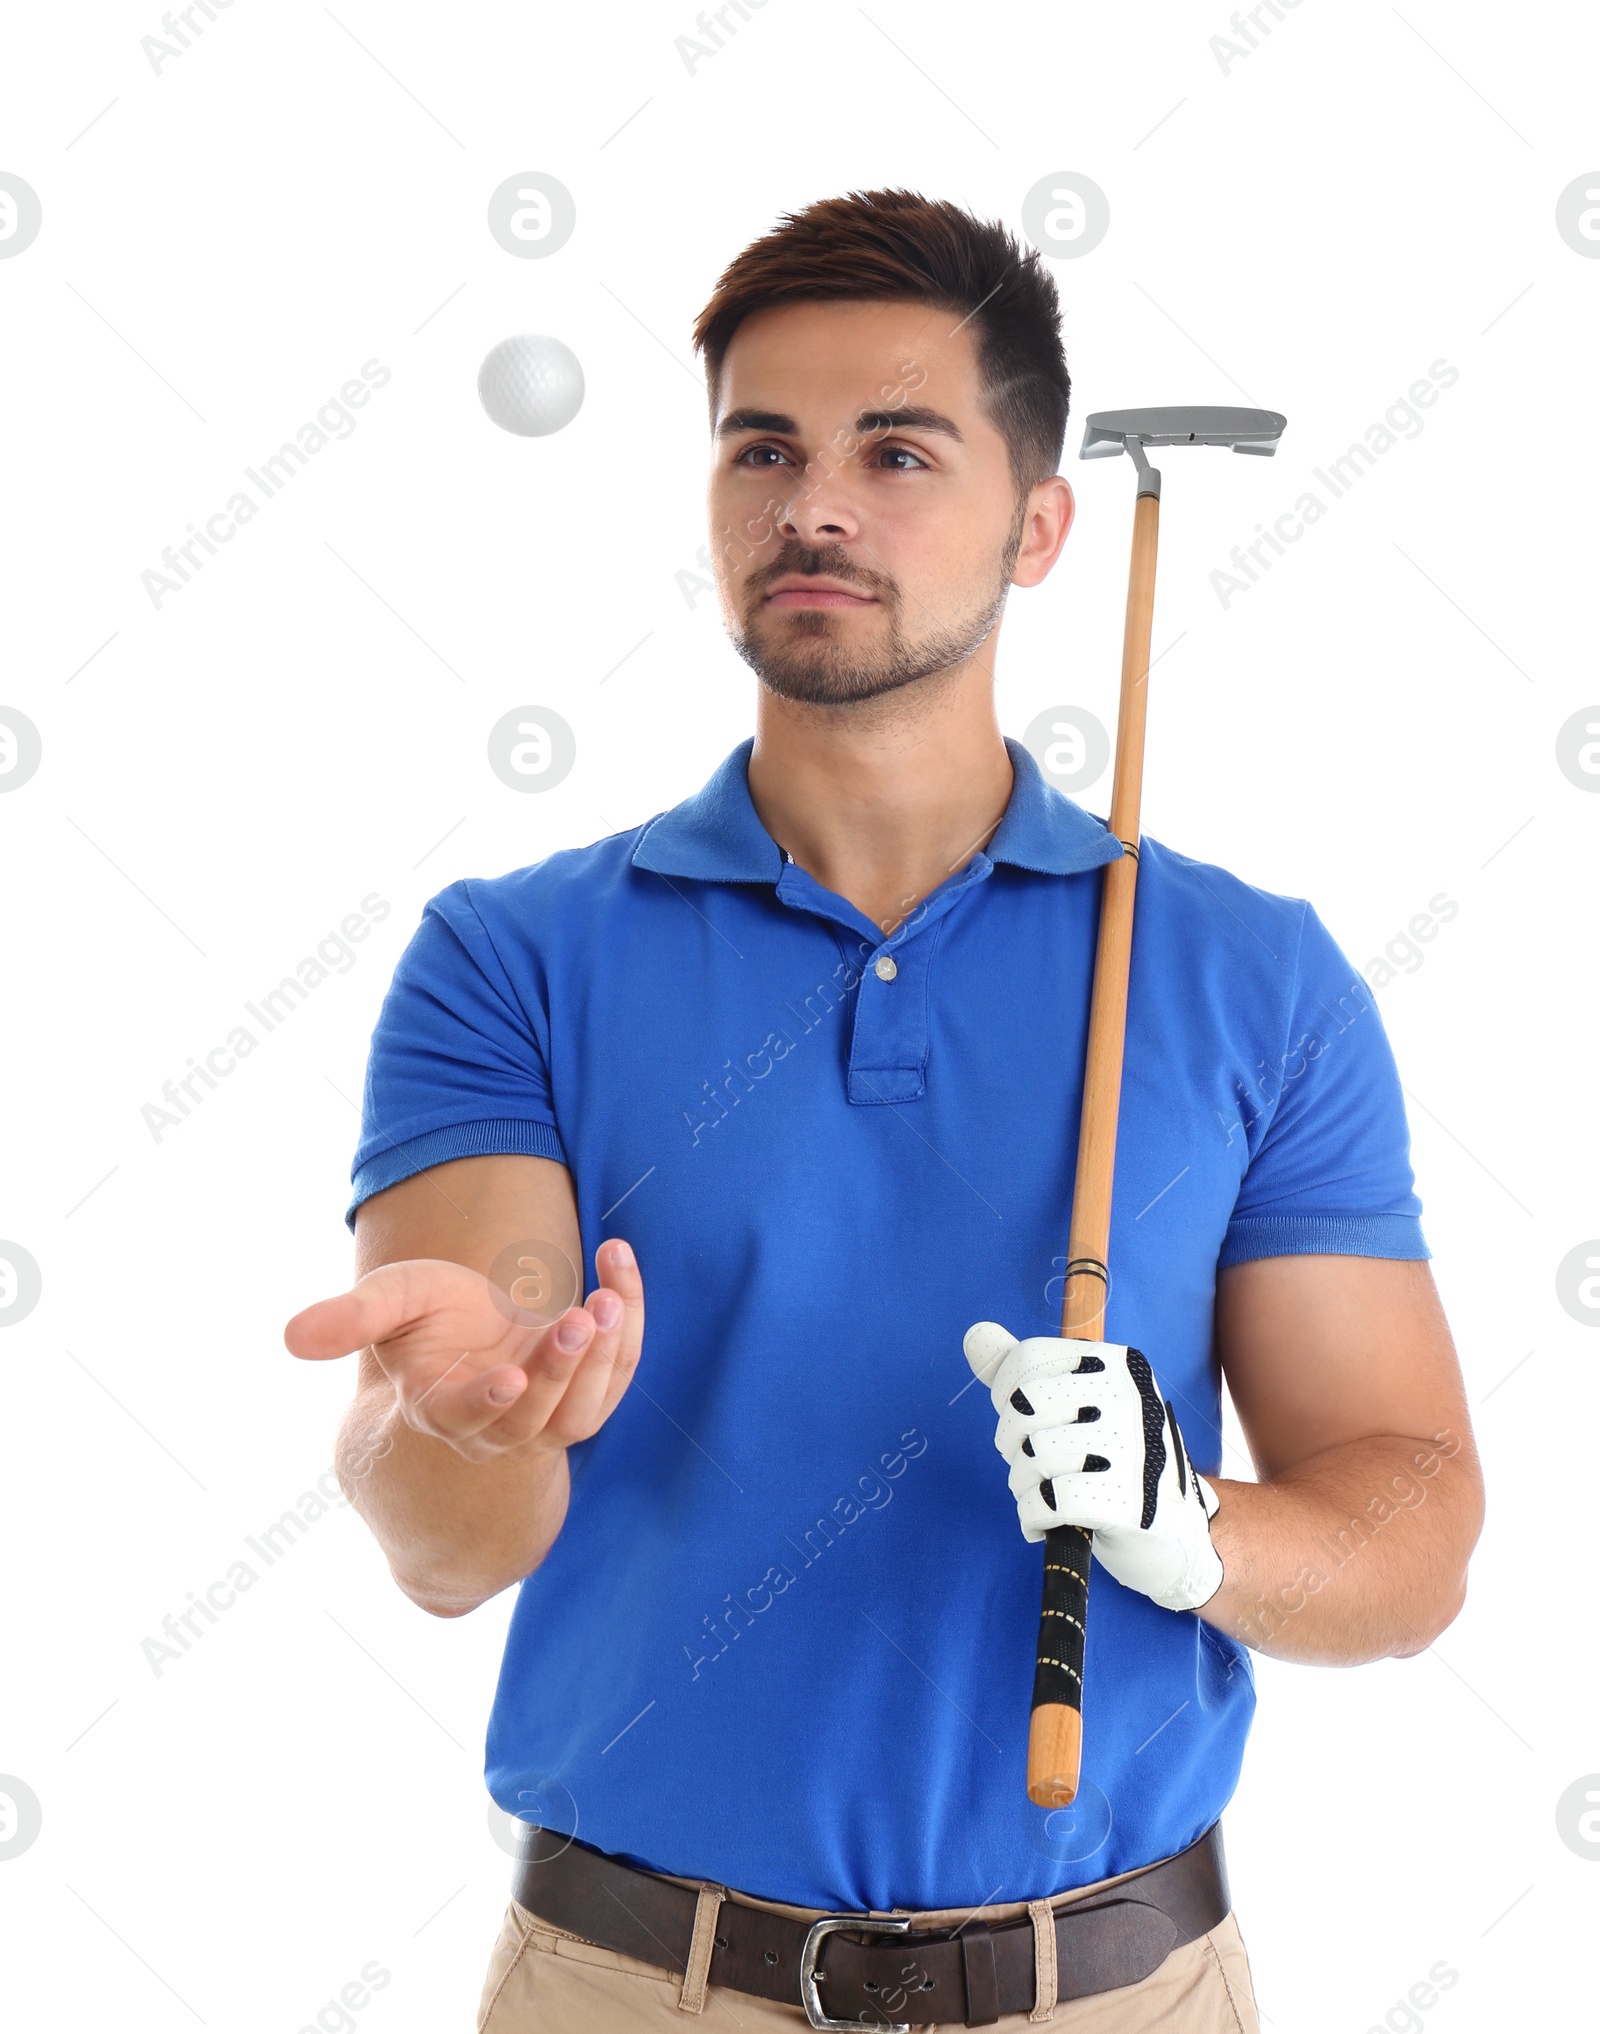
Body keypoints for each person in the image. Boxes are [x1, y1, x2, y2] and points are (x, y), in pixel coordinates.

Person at [284, 189, 1484, 2031]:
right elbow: (445, 1542)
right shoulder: (510, 957)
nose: (813, 504)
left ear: (1042, 523)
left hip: (1123, 1989)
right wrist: (464, 1425)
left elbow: (1413, 1535)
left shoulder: (1251, 976)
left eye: (896, 450)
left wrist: (1192, 1529)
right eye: (761, 448)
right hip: (634, 1984)